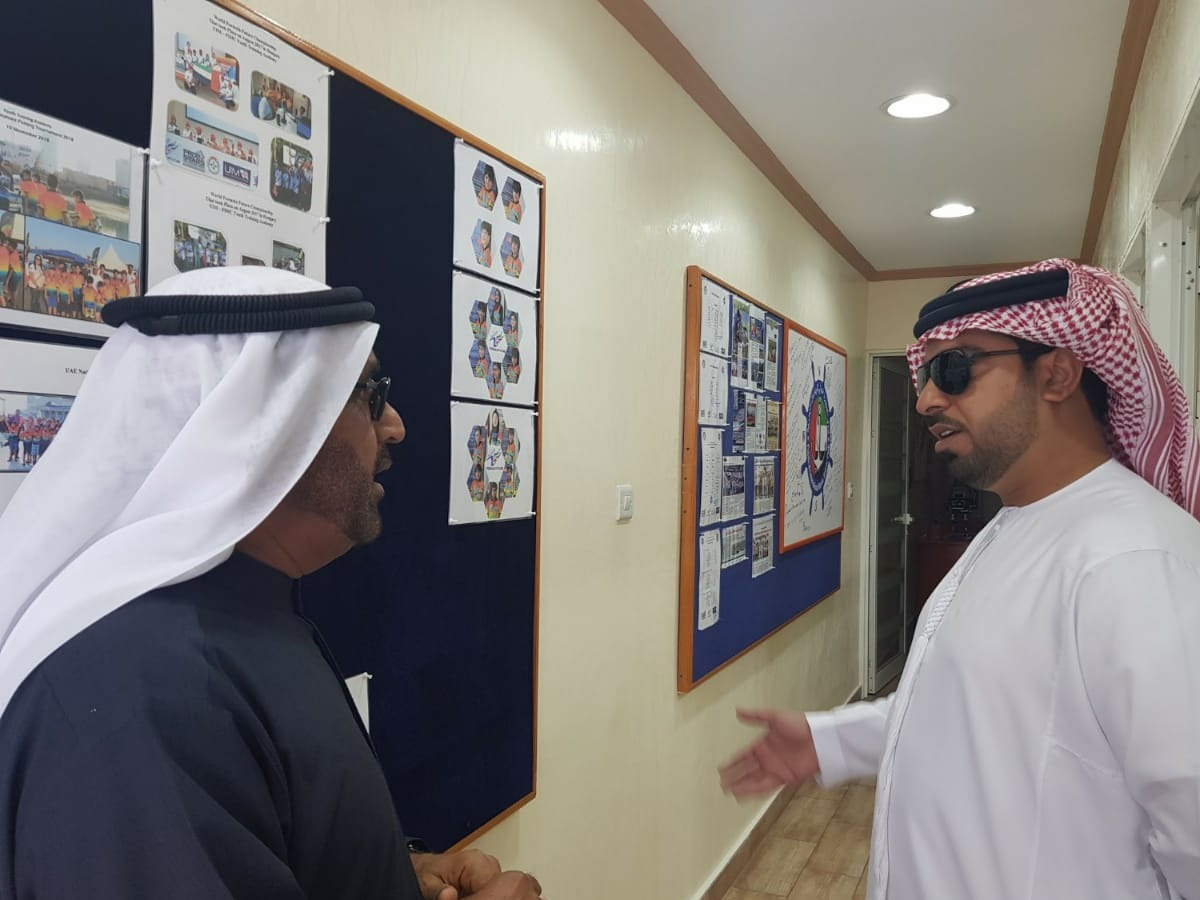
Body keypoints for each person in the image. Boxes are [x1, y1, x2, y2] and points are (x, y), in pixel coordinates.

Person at [0, 267, 546, 900]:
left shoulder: (237, 613)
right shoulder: (141, 700)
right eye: (369, 394)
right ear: (268, 421)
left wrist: (395, 874)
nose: (394, 425)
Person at [719, 259, 1200, 900]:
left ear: (1057, 374)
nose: (925, 400)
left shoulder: (1136, 559)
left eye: (953, 370)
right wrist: (829, 741)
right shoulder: (1017, 526)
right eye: (924, 376)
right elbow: (975, 711)